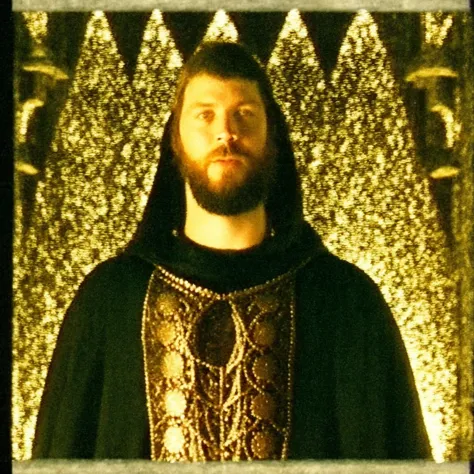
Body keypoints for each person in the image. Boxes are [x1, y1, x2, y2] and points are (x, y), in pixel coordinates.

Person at [33, 41, 431, 461]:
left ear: (271, 135)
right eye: (205, 115)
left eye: (244, 114)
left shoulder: (345, 301)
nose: (226, 132)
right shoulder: (110, 300)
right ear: (175, 140)